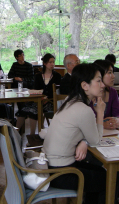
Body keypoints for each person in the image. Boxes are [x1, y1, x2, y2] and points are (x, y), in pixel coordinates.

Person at [43, 63, 106, 204]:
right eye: (98, 80)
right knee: (104, 178)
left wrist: (84, 141)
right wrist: (100, 112)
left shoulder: (69, 101)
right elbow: (96, 141)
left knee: (99, 171)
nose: (102, 85)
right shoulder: (84, 109)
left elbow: (80, 132)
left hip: (50, 167)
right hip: (61, 173)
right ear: (85, 86)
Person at [90, 60, 119, 204]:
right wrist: (101, 121)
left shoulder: (112, 93)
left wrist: (117, 120)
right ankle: (102, 193)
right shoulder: (89, 93)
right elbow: (85, 120)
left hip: (111, 137)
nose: (113, 76)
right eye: (109, 73)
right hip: (93, 139)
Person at [16, 53, 61, 135]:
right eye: (50, 62)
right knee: (23, 110)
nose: (52, 64)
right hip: (38, 99)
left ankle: (32, 135)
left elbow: (56, 91)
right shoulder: (38, 76)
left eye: (53, 62)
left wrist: (46, 98)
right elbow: (36, 89)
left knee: (33, 110)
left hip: (50, 101)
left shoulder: (57, 76)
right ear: (45, 63)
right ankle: (16, 132)